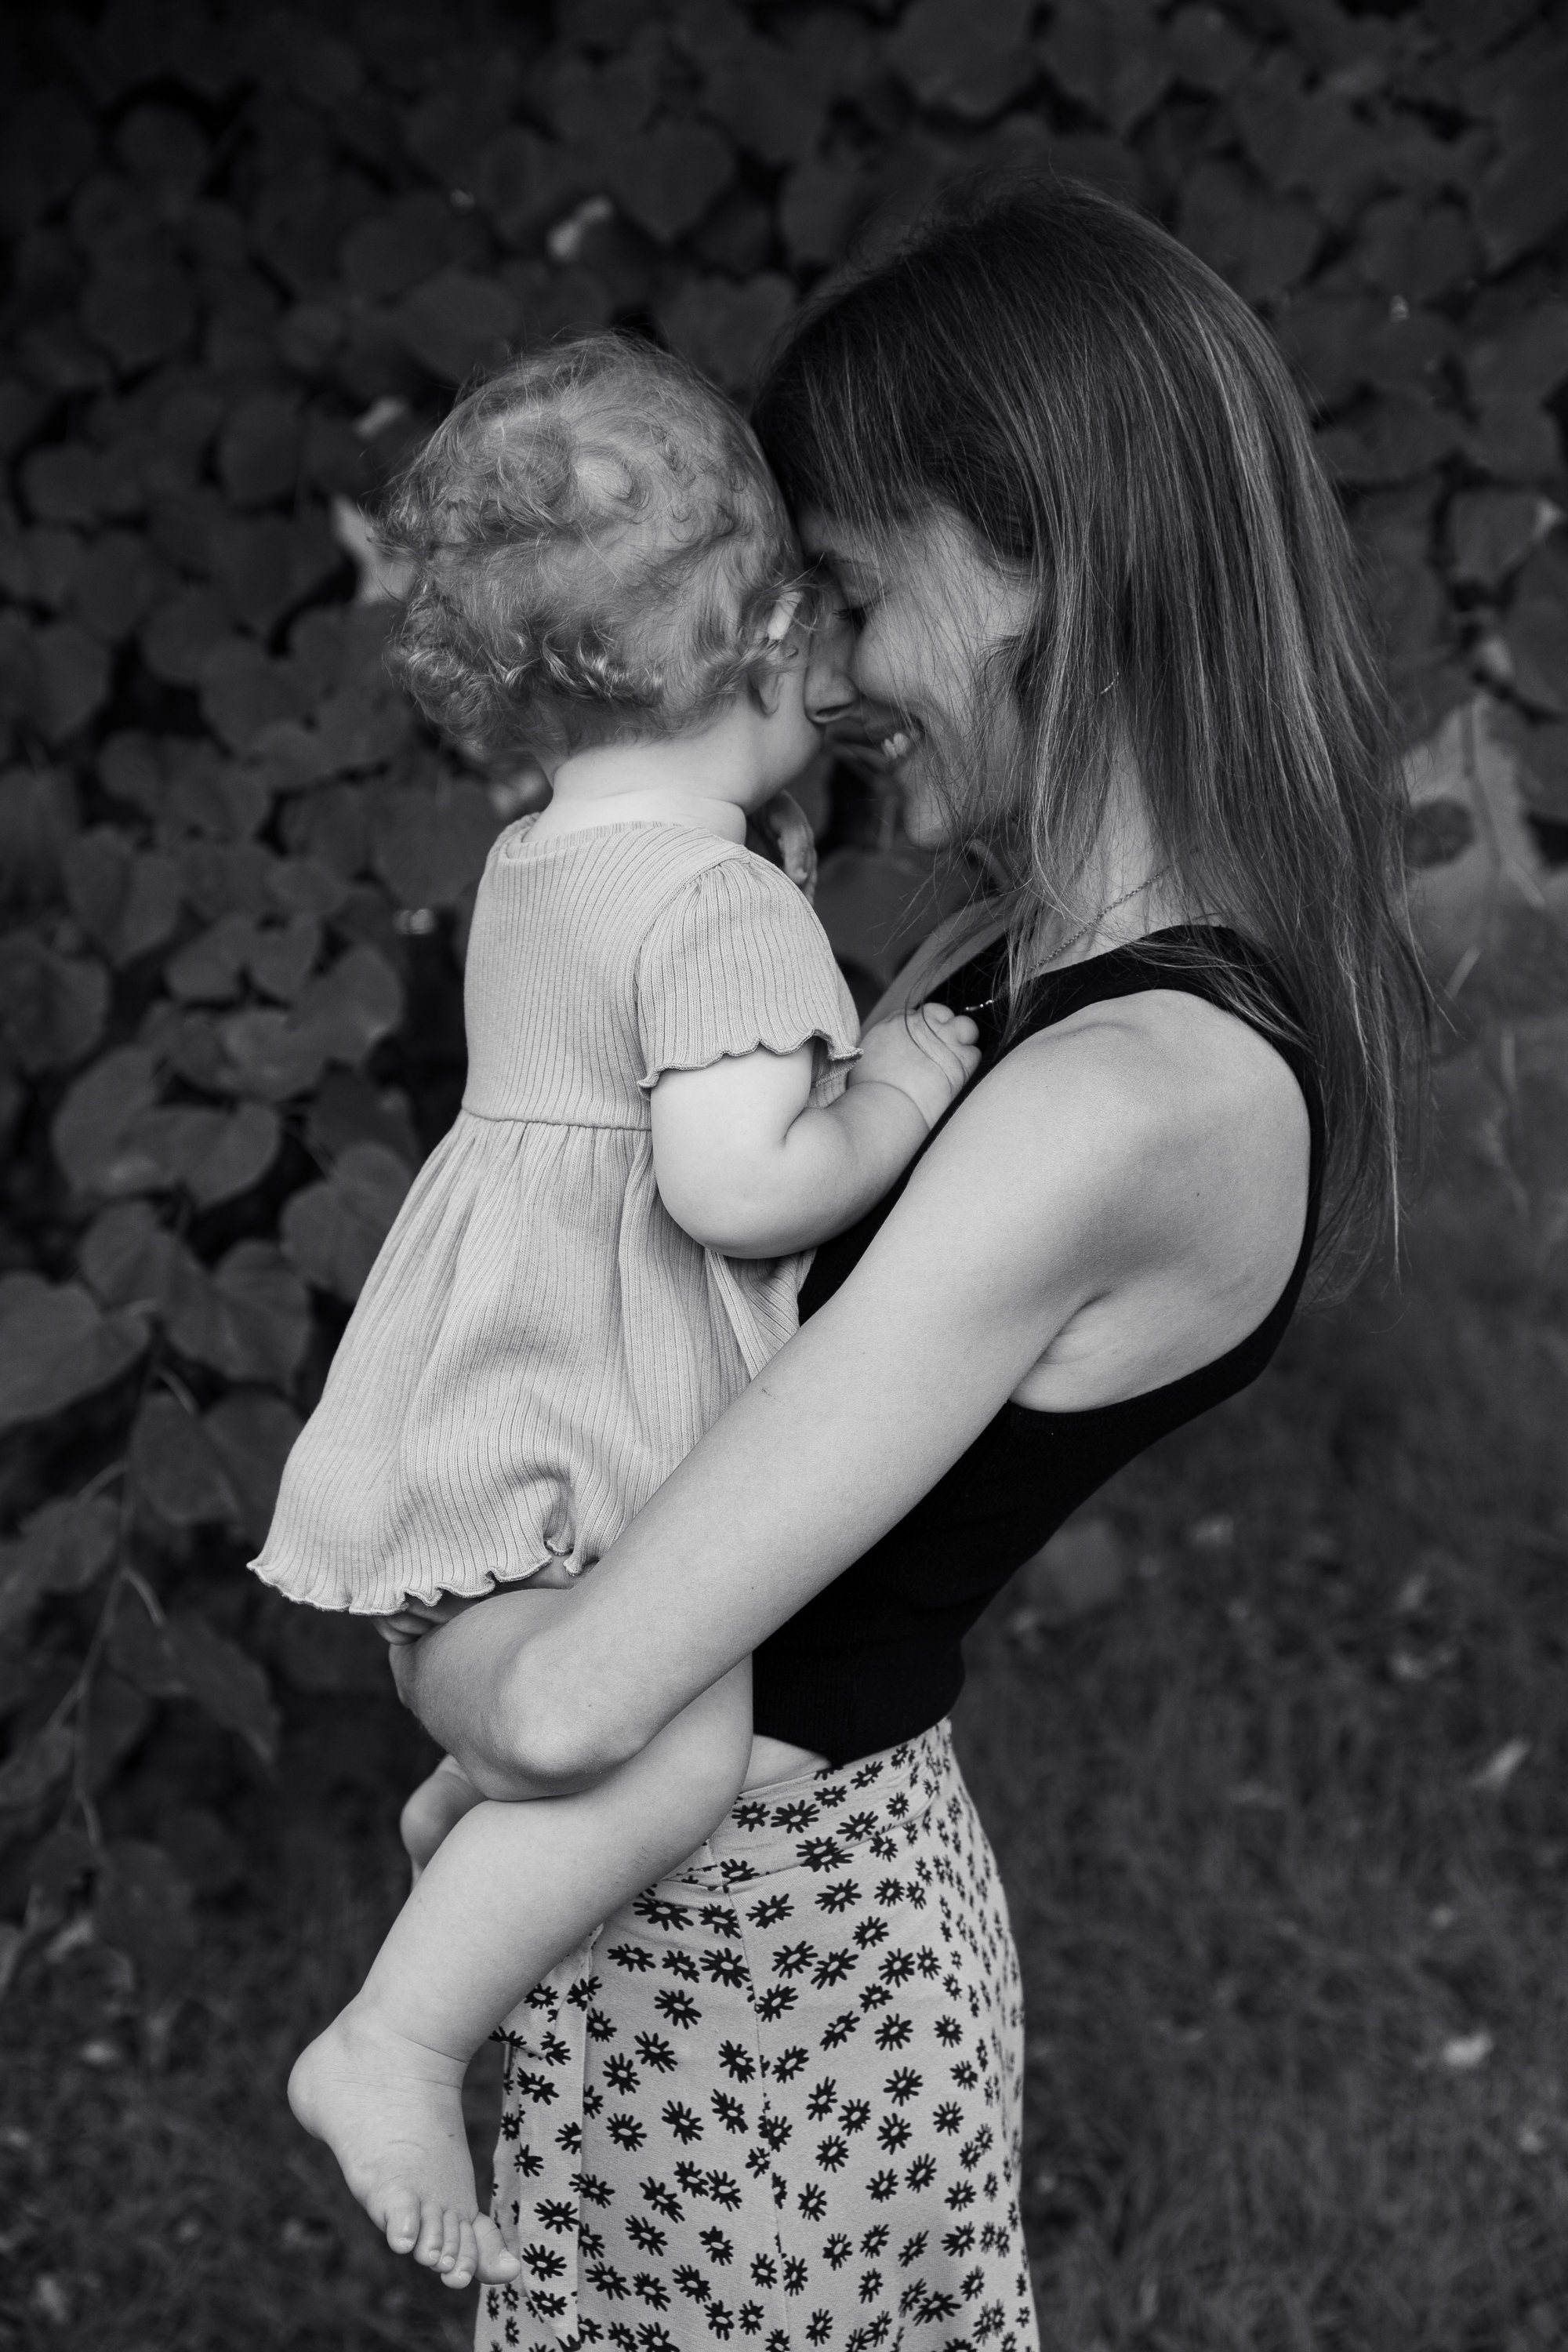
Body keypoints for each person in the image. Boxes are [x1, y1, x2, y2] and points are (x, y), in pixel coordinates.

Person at [382, 176, 1425, 2352]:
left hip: (776, 2010)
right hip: (697, 1936)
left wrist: (438, 1672)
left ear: (1038, 542)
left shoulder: (1122, 1091)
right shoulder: (1007, 965)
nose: (826, 680)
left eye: (849, 598)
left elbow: (582, 1691)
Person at [252, 336, 983, 2295]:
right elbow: (730, 1188)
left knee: (590, 1722)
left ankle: (479, 1821)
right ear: (766, 643)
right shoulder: (713, 897)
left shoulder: (534, 861)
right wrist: (899, 1091)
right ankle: (398, 2035)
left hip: (484, 1420)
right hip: (590, 1441)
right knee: (681, 1736)